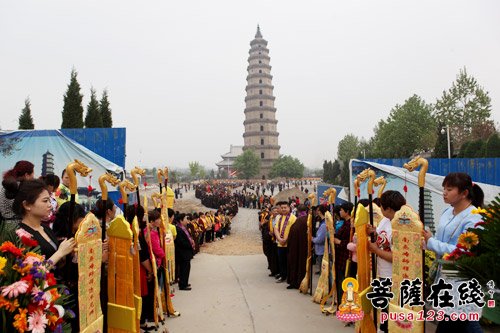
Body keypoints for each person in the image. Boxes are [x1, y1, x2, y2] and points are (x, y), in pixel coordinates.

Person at [423, 173, 483, 333]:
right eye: (444, 188)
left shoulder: (474, 218)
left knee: (461, 320)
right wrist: (427, 241)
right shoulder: (446, 212)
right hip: (445, 276)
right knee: (462, 321)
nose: (444, 192)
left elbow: (464, 251)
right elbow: (439, 240)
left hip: (462, 279)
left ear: (464, 193)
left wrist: (431, 242)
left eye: (449, 189)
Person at [367, 190, 406, 333]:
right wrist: (374, 232)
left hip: (392, 277)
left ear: (389, 209)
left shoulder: (399, 226)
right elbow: (381, 237)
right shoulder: (385, 220)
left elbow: (397, 257)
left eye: (382, 207)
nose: (380, 209)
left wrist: (376, 251)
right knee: (383, 310)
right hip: (382, 274)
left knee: (390, 314)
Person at [13, 179, 76, 264]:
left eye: (49, 200)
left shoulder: (45, 228)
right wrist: (60, 253)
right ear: (27, 205)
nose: (50, 205)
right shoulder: (20, 234)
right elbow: (33, 272)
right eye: (45, 201)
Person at [334, 202, 354, 305]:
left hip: (345, 257)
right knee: (340, 279)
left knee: (344, 281)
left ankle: (344, 303)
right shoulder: (345, 223)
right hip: (340, 256)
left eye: (342, 210)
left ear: (347, 212)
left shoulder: (351, 225)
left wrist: (339, 242)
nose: (340, 212)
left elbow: (350, 242)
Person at [274, 201, 297, 283]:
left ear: (289, 208)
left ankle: (289, 276)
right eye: (282, 208)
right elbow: (276, 229)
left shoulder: (293, 218)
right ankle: (283, 275)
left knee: (289, 261)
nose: (283, 209)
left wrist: (285, 239)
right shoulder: (280, 217)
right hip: (280, 243)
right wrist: (279, 239)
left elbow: (293, 230)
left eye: (285, 208)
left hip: (289, 244)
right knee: (281, 261)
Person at [286, 204, 308, 289]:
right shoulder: (307, 220)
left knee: (295, 263)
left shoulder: (298, 221)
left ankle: (295, 282)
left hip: (295, 247)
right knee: (302, 264)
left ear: (298, 211)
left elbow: (292, 233)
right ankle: (302, 282)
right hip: (304, 247)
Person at [175, 213, 195, 290]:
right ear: (181, 220)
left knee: (186, 268)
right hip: (183, 253)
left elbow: (188, 237)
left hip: (186, 253)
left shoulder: (183, 228)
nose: (187, 221)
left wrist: (191, 241)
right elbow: (182, 242)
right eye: (186, 219)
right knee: (184, 269)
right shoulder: (179, 229)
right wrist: (190, 244)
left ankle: (184, 282)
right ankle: (183, 285)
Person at [312, 205, 327, 275]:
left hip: (322, 248)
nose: (317, 212)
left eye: (318, 210)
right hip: (319, 248)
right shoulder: (319, 220)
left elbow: (320, 239)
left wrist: (312, 239)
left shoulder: (324, 224)